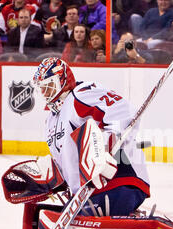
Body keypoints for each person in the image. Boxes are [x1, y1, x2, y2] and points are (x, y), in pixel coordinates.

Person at [32, 57, 150, 217]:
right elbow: (69, 162)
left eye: (50, 86)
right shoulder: (51, 120)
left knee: (75, 221)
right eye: (42, 88)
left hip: (121, 180)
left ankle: (133, 222)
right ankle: (127, 218)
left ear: (63, 81)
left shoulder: (80, 94)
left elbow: (124, 111)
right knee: (46, 219)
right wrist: (51, 179)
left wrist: (104, 144)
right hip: (87, 193)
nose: (46, 92)